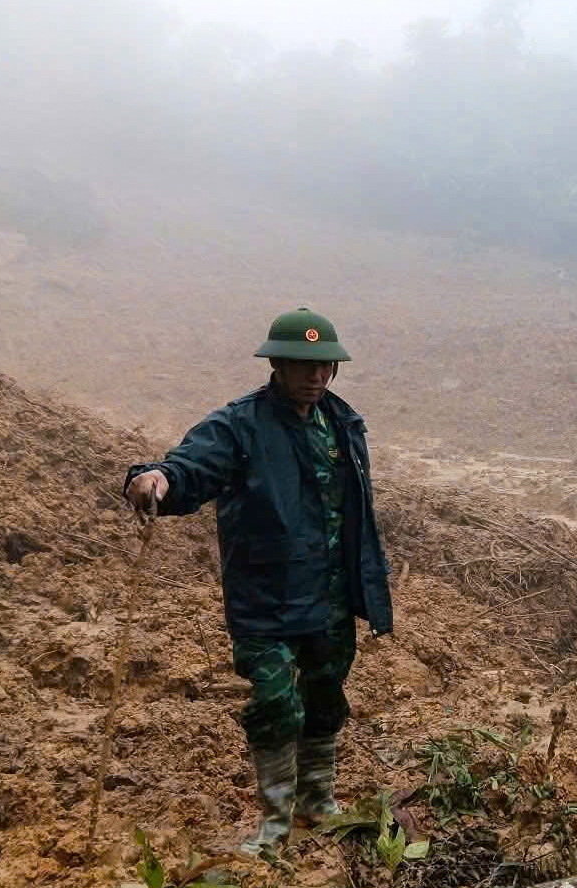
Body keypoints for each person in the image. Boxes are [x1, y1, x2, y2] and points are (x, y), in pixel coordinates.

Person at [122, 307, 392, 856]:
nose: (315, 376)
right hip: (267, 597)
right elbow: (190, 467)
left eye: (324, 367)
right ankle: (274, 823)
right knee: (274, 702)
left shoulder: (344, 421)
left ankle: (318, 802)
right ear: (277, 363)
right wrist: (154, 480)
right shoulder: (240, 424)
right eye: (302, 365)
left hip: (331, 594)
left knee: (324, 698)